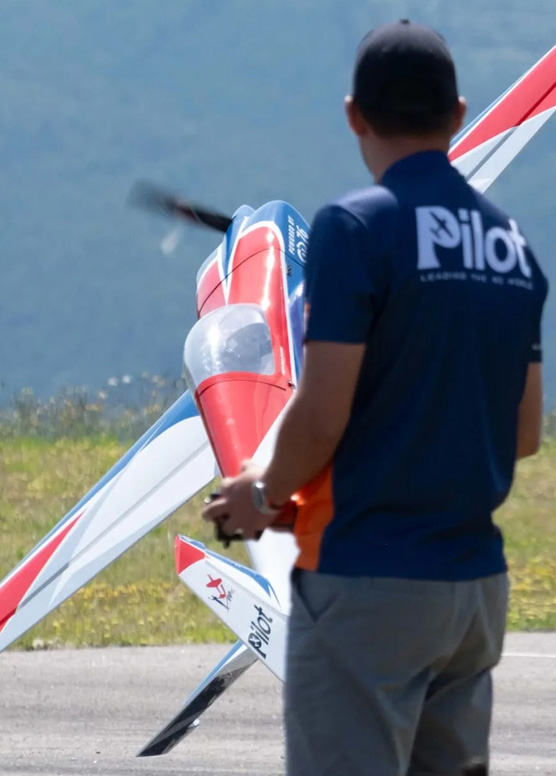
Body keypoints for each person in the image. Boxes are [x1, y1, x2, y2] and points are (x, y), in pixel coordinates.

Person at [203, 19, 548, 776]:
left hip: (367, 580)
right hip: (474, 590)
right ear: (458, 114)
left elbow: (323, 411)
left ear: (355, 114)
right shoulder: (512, 245)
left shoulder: (355, 227)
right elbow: (524, 431)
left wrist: (260, 493)